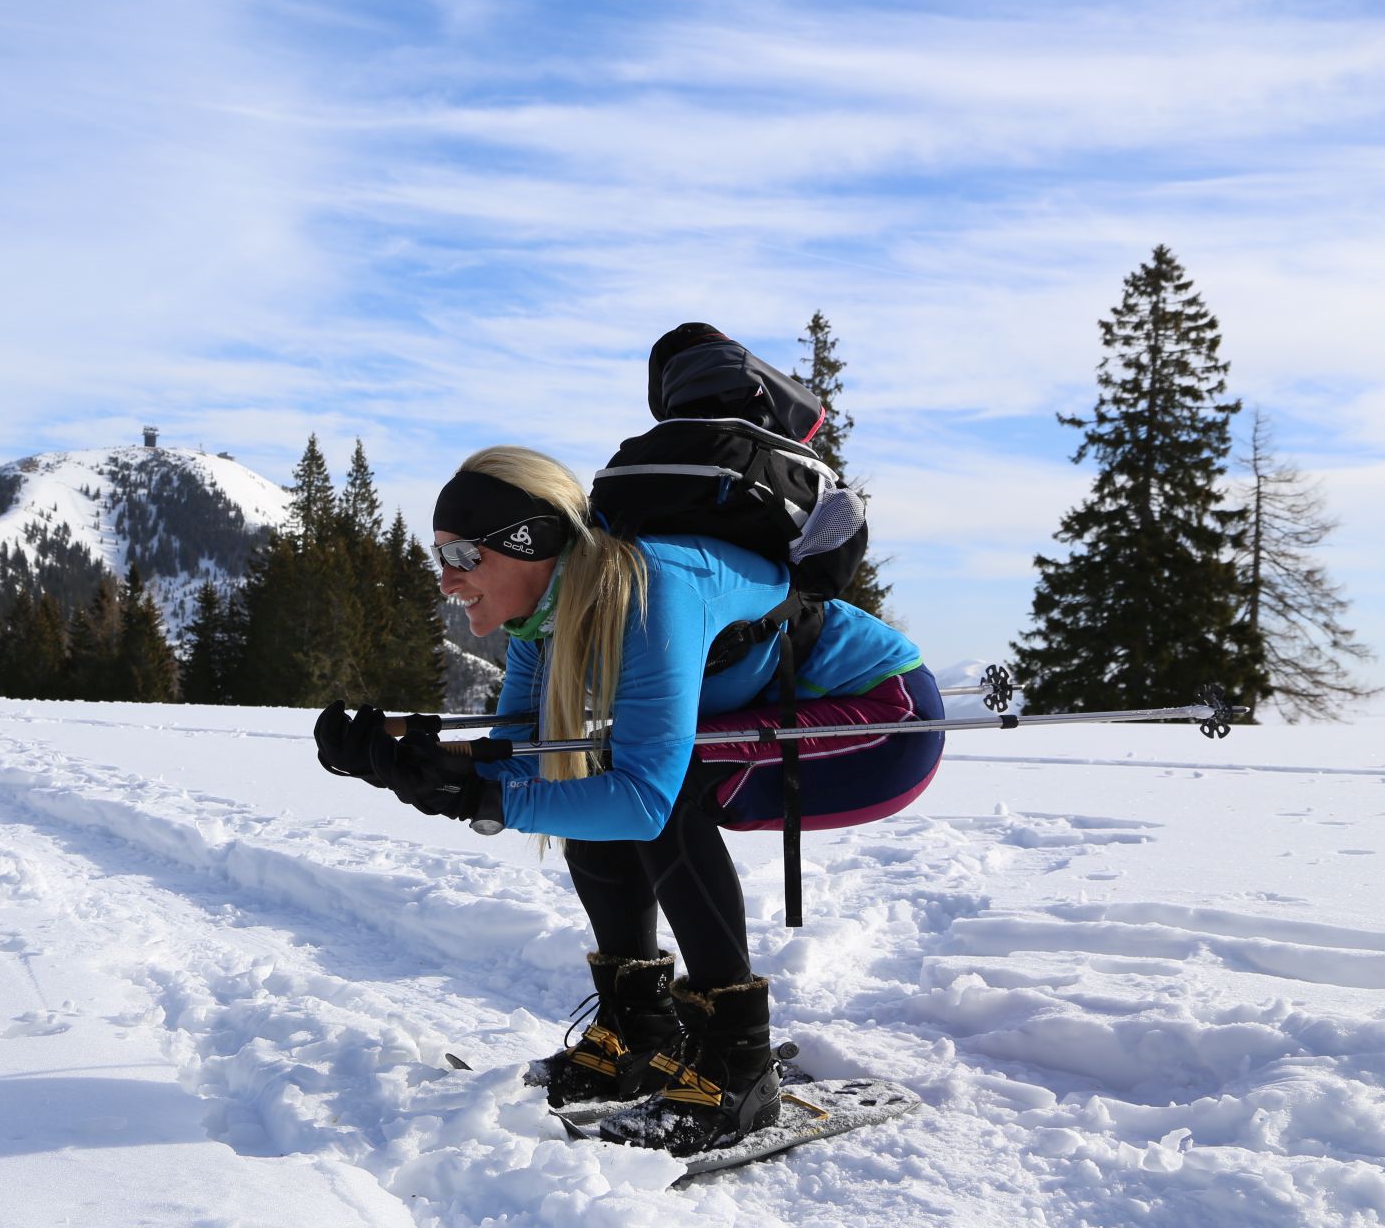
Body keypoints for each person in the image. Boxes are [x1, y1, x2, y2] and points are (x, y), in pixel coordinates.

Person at [314, 444, 945, 1158]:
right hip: (777, 720)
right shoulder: (544, 618)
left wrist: (477, 795)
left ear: (529, 544)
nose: (446, 579)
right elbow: (530, 763)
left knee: (658, 787)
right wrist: (401, 765)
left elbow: (641, 801)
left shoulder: (652, 587)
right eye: (441, 556)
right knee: (598, 776)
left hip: (880, 720)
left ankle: (737, 1069)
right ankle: (639, 1034)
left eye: (463, 555)